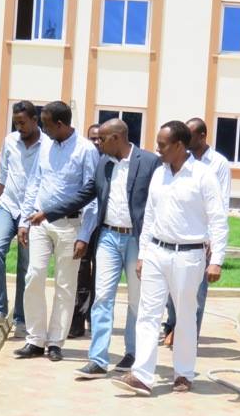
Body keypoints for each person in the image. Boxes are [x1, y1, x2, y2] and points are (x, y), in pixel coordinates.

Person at [31, 118, 160, 378]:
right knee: (102, 298)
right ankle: (98, 359)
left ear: (116, 138)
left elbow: (160, 202)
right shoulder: (103, 164)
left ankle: (133, 353)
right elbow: (84, 195)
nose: (97, 143)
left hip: (136, 239)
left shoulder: (148, 162)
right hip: (109, 237)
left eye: (102, 139)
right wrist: (48, 213)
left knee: (136, 300)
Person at [112, 121, 228, 396]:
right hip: (155, 252)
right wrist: (142, 254)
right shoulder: (159, 174)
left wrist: (217, 260)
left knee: (185, 316)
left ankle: (184, 374)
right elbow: (149, 216)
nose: (157, 149)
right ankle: (142, 375)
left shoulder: (203, 175)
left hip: (189, 256)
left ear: (179, 145)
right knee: (148, 314)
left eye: (162, 144)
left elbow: (218, 219)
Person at [15, 101, 98, 362]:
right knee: (34, 276)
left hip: (71, 227)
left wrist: (85, 235)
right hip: (40, 223)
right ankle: (35, 339)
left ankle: (55, 342)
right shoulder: (45, 147)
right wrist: (24, 221)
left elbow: (92, 197)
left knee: (65, 285)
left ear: (60, 124)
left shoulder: (86, 150)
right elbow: (35, 183)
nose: (43, 129)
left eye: (47, 124)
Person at [162, 117, 231, 343]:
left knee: (196, 294)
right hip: (175, 235)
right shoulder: (174, 164)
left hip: (201, 238)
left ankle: (187, 337)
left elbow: (221, 205)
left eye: (189, 135)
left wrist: (213, 241)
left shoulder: (217, 164)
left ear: (202, 136)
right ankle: (173, 326)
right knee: (172, 292)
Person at [0, 101, 45, 337]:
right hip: (8, 207)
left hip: (32, 214)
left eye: (23, 122)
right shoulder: (10, 141)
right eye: (16, 122)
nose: (19, 127)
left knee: (25, 265)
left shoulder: (46, 146)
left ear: (34, 120)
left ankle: (20, 317)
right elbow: (3, 177)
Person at [68, 123, 103, 338]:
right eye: (93, 138)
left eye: (100, 138)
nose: (97, 142)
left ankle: (94, 319)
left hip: (105, 227)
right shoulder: (83, 159)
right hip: (83, 225)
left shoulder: (112, 162)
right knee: (80, 272)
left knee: (100, 274)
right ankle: (77, 321)